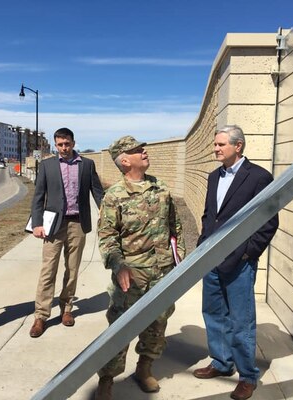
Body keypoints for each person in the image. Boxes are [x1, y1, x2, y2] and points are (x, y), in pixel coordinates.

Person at [95, 135, 186, 400]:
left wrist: (179, 260)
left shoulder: (162, 188)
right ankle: (107, 378)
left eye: (142, 148)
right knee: (120, 329)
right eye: (136, 150)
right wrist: (119, 265)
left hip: (162, 273)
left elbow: (176, 227)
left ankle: (144, 368)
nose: (144, 152)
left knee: (157, 325)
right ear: (124, 160)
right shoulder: (114, 196)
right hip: (131, 277)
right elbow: (107, 237)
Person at [193, 125, 279, 400]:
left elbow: (269, 222)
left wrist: (248, 253)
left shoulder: (259, 177)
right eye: (215, 145)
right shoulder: (213, 176)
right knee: (214, 313)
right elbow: (210, 215)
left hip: (239, 263)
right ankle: (221, 362)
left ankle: (247, 375)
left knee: (241, 321)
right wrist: (203, 243)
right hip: (212, 260)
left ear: (238, 146)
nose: (216, 149)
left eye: (221, 145)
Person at [29, 127, 104, 338]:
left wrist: (104, 212)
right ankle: (41, 315)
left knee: (72, 269)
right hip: (53, 225)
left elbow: (97, 192)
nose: (64, 148)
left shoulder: (87, 165)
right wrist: (36, 223)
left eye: (67, 144)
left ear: (73, 142)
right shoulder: (47, 166)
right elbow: (38, 196)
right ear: (56, 145)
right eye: (60, 144)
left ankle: (67, 308)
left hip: (77, 223)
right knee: (48, 270)